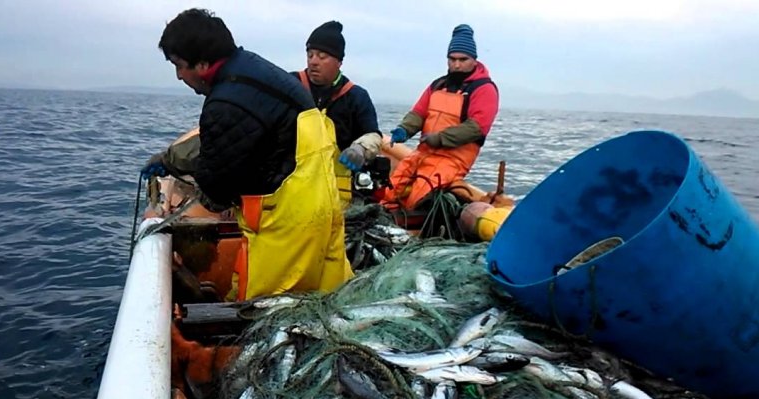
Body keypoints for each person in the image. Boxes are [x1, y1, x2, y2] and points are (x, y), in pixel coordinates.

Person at [153, 8, 352, 301]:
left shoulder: (226, 102)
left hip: (287, 222)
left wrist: (183, 178)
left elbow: (217, 185)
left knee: (258, 310)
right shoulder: (255, 69)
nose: (179, 75)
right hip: (324, 206)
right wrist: (173, 158)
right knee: (330, 299)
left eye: (180, 65)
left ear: (204, 63)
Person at [379, 24, 499, 211]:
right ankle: (385, 219)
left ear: (474, 60)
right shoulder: (438, 84)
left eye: (463, 59)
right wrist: (404, 129)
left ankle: (413, 229)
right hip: (424, 151)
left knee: (419, 195)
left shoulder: (484, 89)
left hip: (453, 158)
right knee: (392, 185)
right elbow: (419, 113)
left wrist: (440, 138)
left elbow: (477, 127)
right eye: (452, 59)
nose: (457, 64)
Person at [292, 21, 382, 206]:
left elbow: (373, 134)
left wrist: (360, 149)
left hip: (339, 194)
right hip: (293, 188)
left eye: (322, 56)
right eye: (310, 55)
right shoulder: (290, 85)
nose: (313, 61)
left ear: (339, 62)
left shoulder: (356, 96)